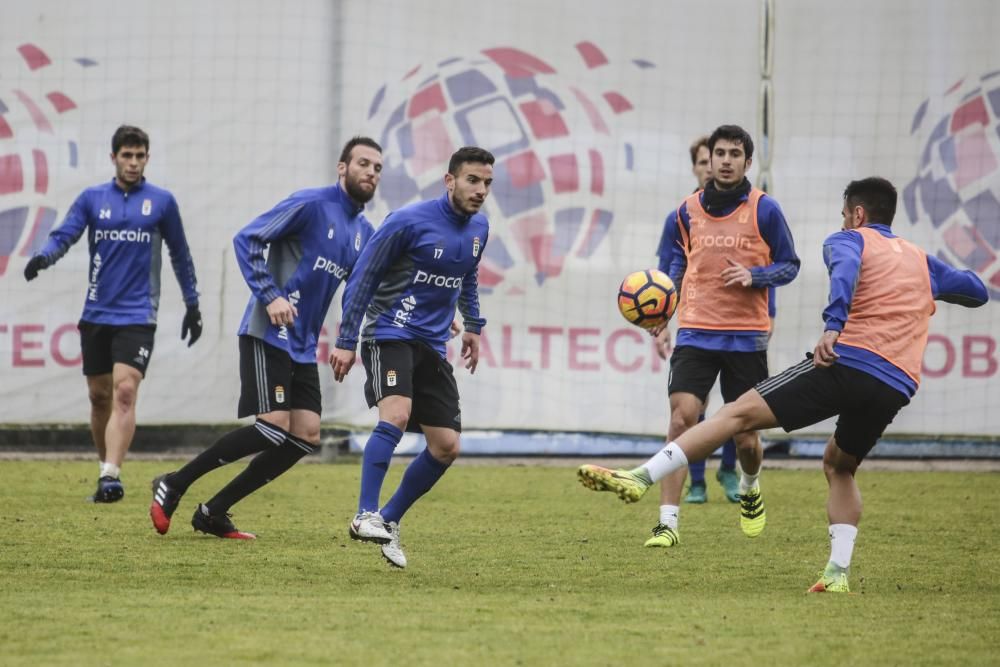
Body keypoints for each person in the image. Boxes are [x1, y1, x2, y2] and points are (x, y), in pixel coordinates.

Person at [579, 176, 989, 592]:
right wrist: (932, 284)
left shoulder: (848, 241)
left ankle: (642, 477)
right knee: (838, 465)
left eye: (845, 215)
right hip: (896, 384)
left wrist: (833, 326)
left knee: (734, 414)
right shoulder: (919, 259)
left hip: (846, 362)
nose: (843, 222)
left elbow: (845, 270)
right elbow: (976, 292)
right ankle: (837, 574)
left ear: (858, 214)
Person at [148, 136, 382, 539]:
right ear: (342, 168)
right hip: (267, 332)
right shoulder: (311, 204)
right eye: (363, 163)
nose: (371, 173)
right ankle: (175, 481)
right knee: (272, 428)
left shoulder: (363, 231)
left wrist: (350, 339)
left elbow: (363, 290)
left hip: (303, 347)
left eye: (378, 168)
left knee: (305, 436)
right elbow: (248, 238)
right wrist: (270, 295)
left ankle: (213, 511)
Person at [330, 146, 494, 569]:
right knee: (397, 416)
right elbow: (362, 278)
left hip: (433, 344)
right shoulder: (407, 221)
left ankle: (388, 520)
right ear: (449, 180)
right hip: (389, 333)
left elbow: (468, 274)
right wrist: (347, 339)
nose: (480, 190)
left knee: (446, 446)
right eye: (473, 180)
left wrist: (473, 323)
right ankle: (364, 512)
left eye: (487, 183)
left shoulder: (480, 227)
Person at [638, 124, 800, 548]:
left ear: (748, 162)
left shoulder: (766, 210)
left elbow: (791, 264)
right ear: (708, 160)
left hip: (746, 339)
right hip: (695, 333)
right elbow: (674, 268)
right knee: (680, 419)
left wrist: (756, 275)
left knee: (746, 437)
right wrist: (664, 312)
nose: (725, 161)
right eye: (719, 154)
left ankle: (749, 484)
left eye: (734, 154)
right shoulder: (685, 211)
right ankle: (667, 523)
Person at [23, 125, 202, 503]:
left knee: (124, 391)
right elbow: (65, 234)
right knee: (99, 396)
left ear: (147, 159)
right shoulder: (92, 199)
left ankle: (112, 472)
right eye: (127, 156)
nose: (133, 163)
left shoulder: (162, 202)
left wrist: (192, 304)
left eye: (140, 156)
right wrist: (43, 257)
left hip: (138, 315)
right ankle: (106, 472)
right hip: (97, 313)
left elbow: (180, 255)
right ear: (114, 158)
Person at [654, 135, 743, 509]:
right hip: (695, 322)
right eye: (705, 161)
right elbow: (666, 272)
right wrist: (660, 320)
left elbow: (759, 262)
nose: (713, 166)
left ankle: (728, 467)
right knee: (690, 408)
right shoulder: (683, 214)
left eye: (721, 157)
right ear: (696, 167)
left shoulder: (749, 210)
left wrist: (767, 313)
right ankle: (696, 481)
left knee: (737, 407)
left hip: (739, 326)